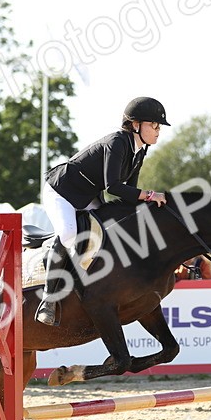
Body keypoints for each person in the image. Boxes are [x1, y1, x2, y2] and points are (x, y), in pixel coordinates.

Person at [36, 96, 170, 325]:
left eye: (159, 127)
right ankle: (48, 299)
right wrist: (149, 195)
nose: (158, 131)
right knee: (68, 232)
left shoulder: (140, 149)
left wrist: (149, 208)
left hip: (87, 196)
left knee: (111, 228)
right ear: (136, 125)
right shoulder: (118, 142)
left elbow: (130, 192)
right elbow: (114, 187)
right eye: (154, 125)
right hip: (62, 192)